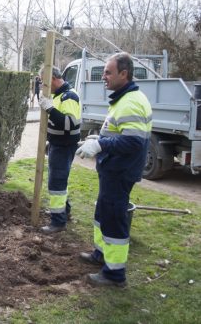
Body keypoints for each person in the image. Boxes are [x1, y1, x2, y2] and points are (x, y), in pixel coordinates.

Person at [76, 52, 152, 287]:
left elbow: (133, 142)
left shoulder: (131, 102)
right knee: (103, 213)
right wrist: (101, 137)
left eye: (108, 72)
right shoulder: (123, 99)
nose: (103, 77)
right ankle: (101, 254)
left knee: (114, 218)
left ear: (124, 74)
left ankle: (114, 274)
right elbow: (123, 133)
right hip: (113, 170)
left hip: (120, 171)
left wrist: (100, 144)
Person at [38, 66, 81, 234]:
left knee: (56, 183)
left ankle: (58, 222)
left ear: (54, 79)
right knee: (59, 181)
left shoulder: (69, 96)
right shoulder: (59, 95)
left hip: (64, 146)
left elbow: (69, 125)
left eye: (44, 82)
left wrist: (50, 109)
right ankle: (64, 211)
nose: (43, 86)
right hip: (58, 145)